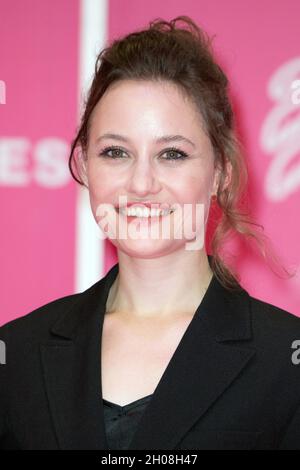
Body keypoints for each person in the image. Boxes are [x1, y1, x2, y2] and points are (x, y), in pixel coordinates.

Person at [1, 15, 300, 450]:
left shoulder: (286, 361)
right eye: (116, 152)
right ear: (85, 165)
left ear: (221, 172)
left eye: (172, 153)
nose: (141, 184)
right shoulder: (17, 355)